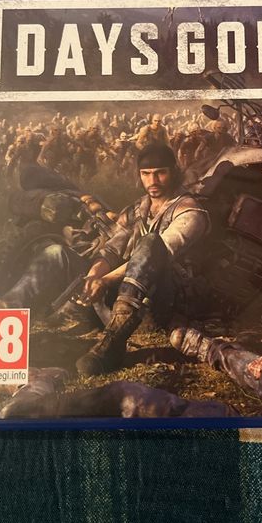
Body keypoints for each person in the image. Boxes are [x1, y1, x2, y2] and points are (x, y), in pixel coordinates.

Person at [75, 143, 210, 377]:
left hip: (175, 300)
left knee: (150, 242)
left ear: (174, 171)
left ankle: (112, 342)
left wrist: (105, 281)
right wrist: (94, 276)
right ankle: (113, 331)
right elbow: (112, 248)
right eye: (146, 174)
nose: (152, 181)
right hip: (139, 299)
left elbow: (158, 253)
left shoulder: (190, 211)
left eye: (160, 173)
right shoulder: (138, 209)